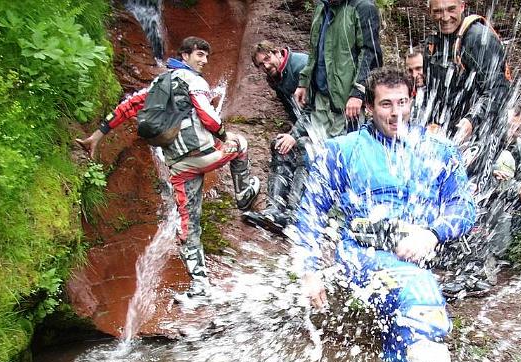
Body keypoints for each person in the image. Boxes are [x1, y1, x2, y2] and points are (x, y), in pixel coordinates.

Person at [292, 67, 493, 362]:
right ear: (369, 107)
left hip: (410, 262)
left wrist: (432, 233)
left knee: (405, 340)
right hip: (360, 259)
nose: (395, 112)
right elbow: (310, 212)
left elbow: (464, 207)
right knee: (421, 291)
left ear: (413, 102)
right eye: (385, 104)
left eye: (402, 103)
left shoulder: (437, 151)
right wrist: (308, 269)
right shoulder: (343, 150)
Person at [76, 36, 260, 301]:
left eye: (206, 56)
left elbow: (127, 106)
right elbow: (208, 116)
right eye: (199, 55)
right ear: (184, 56)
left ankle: (199, 284)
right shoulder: (194, 81)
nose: (204, 61)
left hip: (178, 166)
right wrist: (224, 135)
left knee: (188, 223)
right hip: (204, 155)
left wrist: (96, 136)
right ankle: (243, 196)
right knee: (240, 143)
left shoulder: (158, 83)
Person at [441, 105, 521, 297]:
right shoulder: (480, 140)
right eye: (506, 123)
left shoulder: (519, 147)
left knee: (496, 206)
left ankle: (478, 275)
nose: (510, 129)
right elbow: (456, 170)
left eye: (515, 125)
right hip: (465, 201)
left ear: (520, 123)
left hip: (498, 208)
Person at [421, 0, 511, 192]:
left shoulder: (479, 38)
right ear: (429, 12)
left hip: (484, 132)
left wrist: (471, 120)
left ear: (462, 6)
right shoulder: (433, 44)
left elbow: (499, 90)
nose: (445, 17)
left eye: (451, 9)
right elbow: (430, 94)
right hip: (449, 132)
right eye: (438, 11)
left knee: (473, 193)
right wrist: (430, 123)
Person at [242, 41, 310, 234]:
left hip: (331, 125)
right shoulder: (275, 78)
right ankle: (274, 210)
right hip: (308, 125)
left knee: (304, 147)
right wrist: (291, 134)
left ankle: (293, 213)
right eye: (261, 65)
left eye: (267, 59)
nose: (266, 66)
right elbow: (294, 111)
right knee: (279, 145)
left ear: (278, 53)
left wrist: (295, 135)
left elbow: (318, 107)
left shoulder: (301, 66)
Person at [294, 0, 383, 138]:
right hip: (320, 99)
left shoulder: (363, 8)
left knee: (346, 153)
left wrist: (358, 93)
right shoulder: (321, 7)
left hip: (348, 103)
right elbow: (314, 50)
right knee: (320, 152)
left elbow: (371, 55)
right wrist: (304, 82)